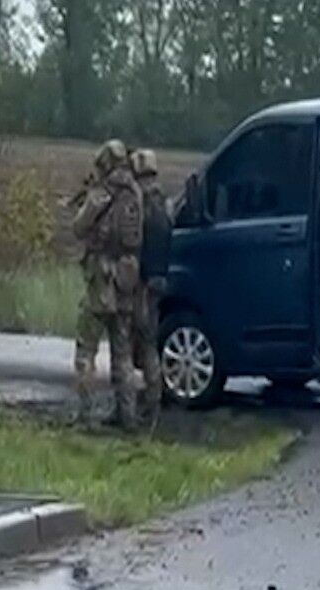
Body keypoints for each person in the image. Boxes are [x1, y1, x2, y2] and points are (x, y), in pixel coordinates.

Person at [70, 139, 144, 430]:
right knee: (123, 352)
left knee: (86, 349)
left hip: (101, 280)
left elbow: (78, 228)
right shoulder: (135, 192)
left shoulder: (103, 193)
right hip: (127, 278)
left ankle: (85, 415)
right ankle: (127, 416)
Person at [131, 148, 172, 427]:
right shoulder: (165, 203)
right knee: (150, 337)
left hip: (144, 281)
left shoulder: (142, 203)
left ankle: (152, 399)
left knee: (144, 341)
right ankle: (153, 395)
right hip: (162, 278)